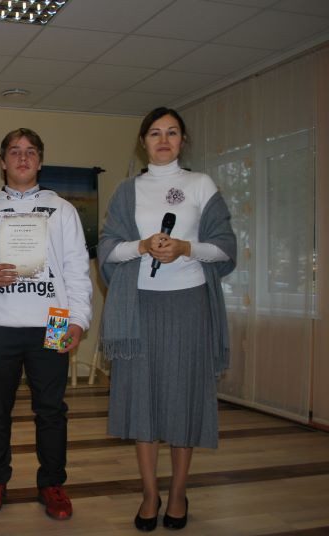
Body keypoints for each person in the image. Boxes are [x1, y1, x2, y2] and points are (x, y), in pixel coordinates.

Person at [97, 107, 237, 531]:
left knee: (182, 401)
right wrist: (141, 246)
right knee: (143, 402)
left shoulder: (201, 184)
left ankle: (177, 493)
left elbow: (225, 247)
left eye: (172, 132)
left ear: (183, 140)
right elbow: (108, 249)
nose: (163, 140)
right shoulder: (127, 190)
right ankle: (149, 494)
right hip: (139, 308)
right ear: (143, 141)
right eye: (155, 133)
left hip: (189, 307)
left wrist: (185, 248)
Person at [0, 128, 92, 520]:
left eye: (31, 151)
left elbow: (77, 270)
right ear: (2, 161)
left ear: (40, 161)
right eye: (15, 152)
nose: (23, 158)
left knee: (51, 410)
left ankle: (52, 483)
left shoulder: (63, 210)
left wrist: (78, 320)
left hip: (53, 322)